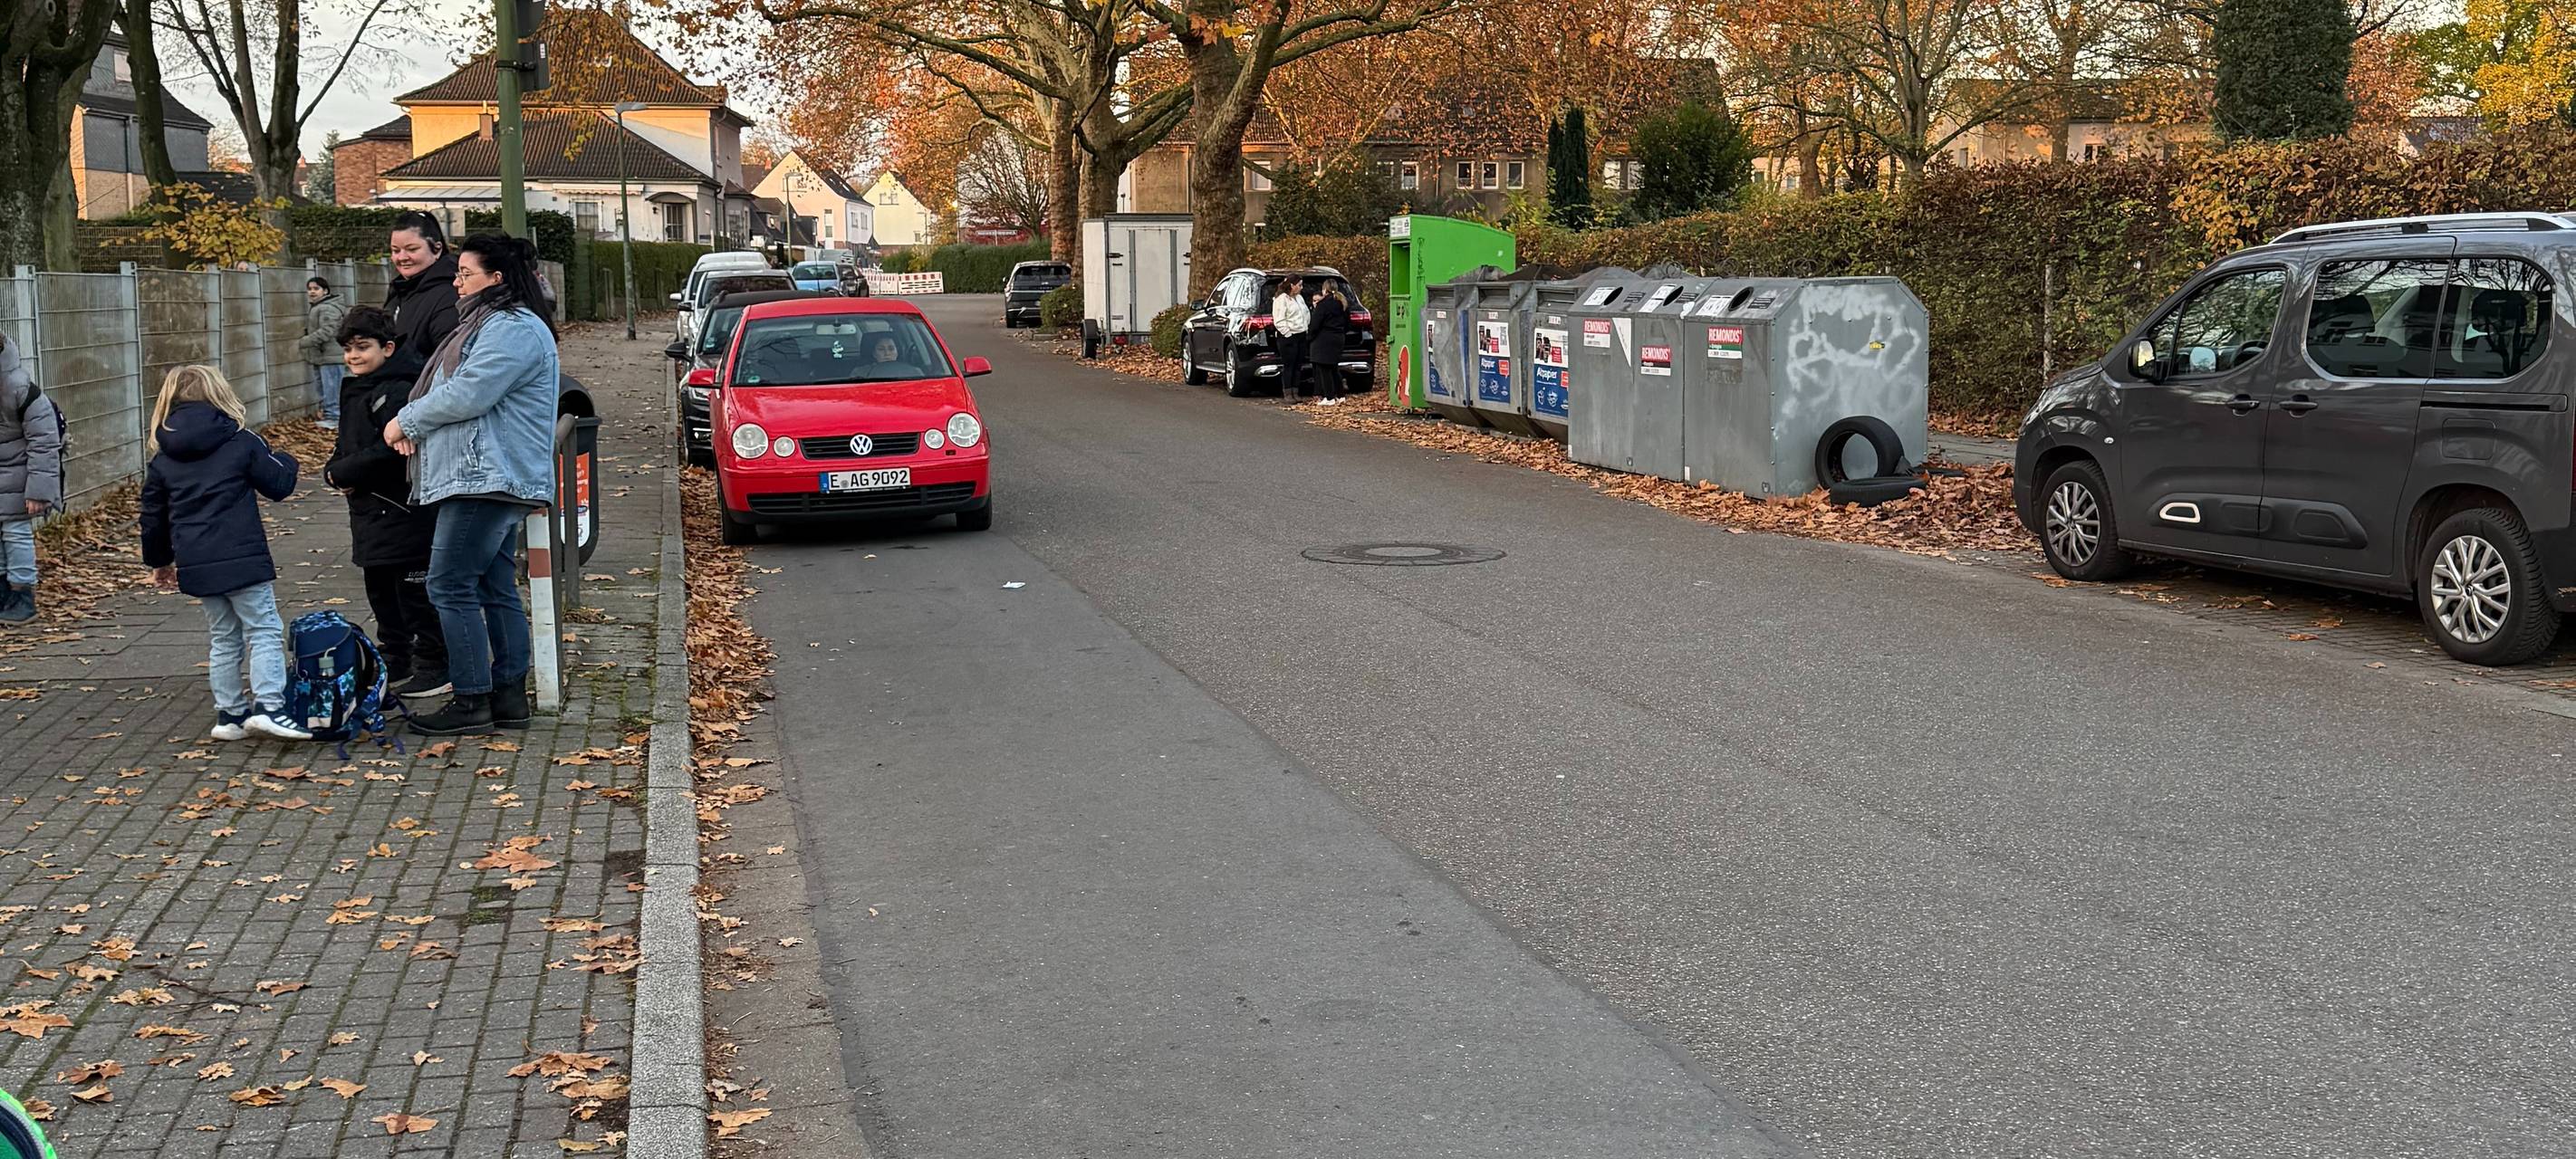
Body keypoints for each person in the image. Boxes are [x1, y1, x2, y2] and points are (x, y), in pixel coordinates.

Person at [385, 234, 559, 736]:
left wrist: (405, 421)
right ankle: (507, 697)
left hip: (486, 476)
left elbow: (469, 393)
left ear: (496, 279)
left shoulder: (510, 327)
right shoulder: (491, 323)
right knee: (491, 584)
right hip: (487, 473)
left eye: (466, 274)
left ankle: (471, 699)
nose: (457, 283)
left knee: (448, 584)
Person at [139, 365, 311, 742]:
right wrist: (287, 458)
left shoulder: (163, 459)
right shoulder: (241, 441)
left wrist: (160, 562)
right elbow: (279, 485)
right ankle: (270, 707)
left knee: (223, 637)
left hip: (196, 561)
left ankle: (230, 714)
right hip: (242, 556)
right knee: (264, 630)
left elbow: (153, 517)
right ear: (220, 395)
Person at [323, 306, 448, 700]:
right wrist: (334, 469)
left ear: (388, 348)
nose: (353, 356)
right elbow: (348, 443)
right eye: (348, 349)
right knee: (381, 590)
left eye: (362, 347)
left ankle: (434, 662)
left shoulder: (397, 391)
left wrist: (344, 472)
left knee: (414, 594)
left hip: (402, 509)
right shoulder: (359, 388)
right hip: (370, 511)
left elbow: (392, 449)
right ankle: (396, 657)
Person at [0, 333, 61, 624]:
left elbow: (45, 442)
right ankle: (4, 594)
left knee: (16, 534)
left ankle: (23, 594)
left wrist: (38, 491)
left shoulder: (20, 388)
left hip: (19, 478)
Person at [384, 210, 461, 362]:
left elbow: (449, 361)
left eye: (412, 249)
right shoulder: (398, 290)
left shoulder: (451, 294)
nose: (402, 257)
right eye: (395, 250)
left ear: (437, 249)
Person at [299, 277, 350, 430]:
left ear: (325, 291)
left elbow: (328, 331)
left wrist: (306, 341)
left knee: (332, 389)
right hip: (322, 356)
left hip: (331, 356)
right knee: (327, 389)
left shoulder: (327, 308)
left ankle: (334, 418)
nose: (312, 292)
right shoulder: (319, 307)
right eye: (309, 289)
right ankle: (331, 416)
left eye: (316, 289)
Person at [1308, 283, 1352, 405]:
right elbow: (1348, 324)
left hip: (1323, 340)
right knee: (1333, 367)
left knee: (1324, 368)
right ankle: (1340, 395)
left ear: (1324, 290)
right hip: (1338, 338)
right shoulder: (1342, 303)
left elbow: (1315, 325)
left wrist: (1310, 338)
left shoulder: (1323, 305)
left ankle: (1329, 397)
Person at [1271, 276, 1311, 404]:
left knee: (1298, 365)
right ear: (1292, 285)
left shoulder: (1299, 298)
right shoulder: (1281, 299)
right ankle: (1287, 392)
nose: (1301, 288)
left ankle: (1296, 391)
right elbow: (1279, 320)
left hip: (1301, 334)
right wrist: (1288, 334)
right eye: (1299, 285)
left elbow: (1305, 313)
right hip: (1288, 336)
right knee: (1289, 365)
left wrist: (1305, 327)